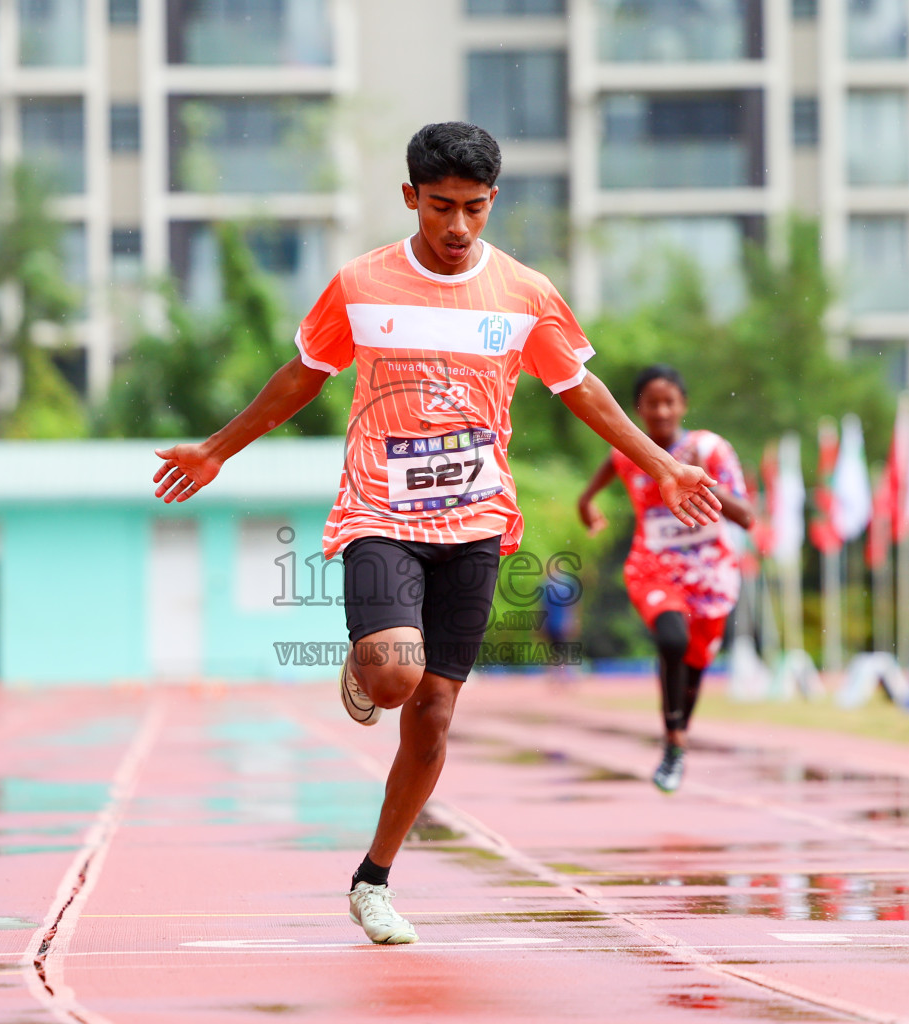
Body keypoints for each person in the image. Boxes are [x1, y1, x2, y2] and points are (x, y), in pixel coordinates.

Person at [153, 122, 721, 944]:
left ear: (494, 203)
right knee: (394, 680)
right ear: (412, 196)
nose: (458, 229)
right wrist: (216, 448)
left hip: (476, 523)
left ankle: (373, 879)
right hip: (379, 512)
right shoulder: (361, 284)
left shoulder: (525, 293)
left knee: (434, 716)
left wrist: (660, 465)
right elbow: (301, 378)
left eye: (476, 210)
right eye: (443, 208)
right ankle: (367, 664)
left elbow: (582, 389)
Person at [576, 365, 754, 792]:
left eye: (669, 402)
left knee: (694, 666)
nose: (660, 411)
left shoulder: (710, 450)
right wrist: (586, 506)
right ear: (638, 408)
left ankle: (677, 742)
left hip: (711, 572)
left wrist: (698, 481)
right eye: (651, 403)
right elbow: (596, 482)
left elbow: (747, 517)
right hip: (653, 566)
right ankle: (674, 737)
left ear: (683, 406)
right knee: (672, 639)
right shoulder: (629, 452)